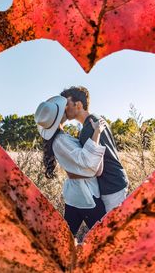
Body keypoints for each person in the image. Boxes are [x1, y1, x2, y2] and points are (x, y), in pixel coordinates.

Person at [34, 95, 107, 236]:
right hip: (84, 195)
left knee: (65, 237)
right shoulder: (61, 140)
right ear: (59, 116)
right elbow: (87, 161)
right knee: (104, 235)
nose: (66, 108)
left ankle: (56, 257)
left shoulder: (60, 138)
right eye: (63, 108)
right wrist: (97, 132)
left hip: (75, 194)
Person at [60, 86, 129, 213]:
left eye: (66, 104)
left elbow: (96, 169)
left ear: (78, 105)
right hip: (116, 181)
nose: (64, 108)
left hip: (111, 187)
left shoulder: (89, 129)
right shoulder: (97, 120)